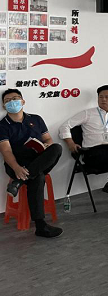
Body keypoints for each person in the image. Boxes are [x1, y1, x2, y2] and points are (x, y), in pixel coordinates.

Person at [0, 89, 63, 238]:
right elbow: (6, 151)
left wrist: (46, 145)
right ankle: (41, 226)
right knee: (38, 177)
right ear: (3, 106)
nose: (12, 102)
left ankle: (19, 182)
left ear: (23, 101)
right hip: (16, 164)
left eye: (15, 98)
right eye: (8, 100)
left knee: (56, 148)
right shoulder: (2, 125)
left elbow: (48, 139)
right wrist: (16, 168)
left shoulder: (36, 119)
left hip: (38, 160)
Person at [59, 85, 108, 200]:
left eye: (107, 97)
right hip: (93, 153)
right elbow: (64, 126)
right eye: (101, 97)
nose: (103, 99)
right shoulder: (88, 113)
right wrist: (70, 143)